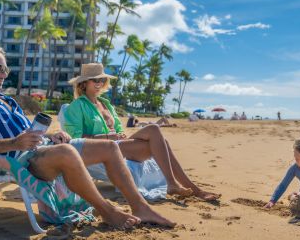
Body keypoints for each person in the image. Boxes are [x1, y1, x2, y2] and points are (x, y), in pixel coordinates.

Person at [0, 45, 174, 229]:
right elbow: (17, 140)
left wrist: (52, 135)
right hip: (18, 159)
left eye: (6, 69)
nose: (4, 74)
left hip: (41, 147)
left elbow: (26, 131)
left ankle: (140, 207)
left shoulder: (6, 99)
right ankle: (107, 211)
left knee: (109, 147)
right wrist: (14, 143)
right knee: (66, 151)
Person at [64, 63, 220, 202]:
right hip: (101, 150)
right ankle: (182, 186)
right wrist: (106, 137)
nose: (99, 83)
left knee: (160, 140)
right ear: (84, 83)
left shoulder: (106, 104)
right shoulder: (76, 106)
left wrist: (119, 134)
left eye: (102, 80)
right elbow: (76, 141)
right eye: (95, 80)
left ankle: (183, 186)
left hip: (118, 145)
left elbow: (118, 129)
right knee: (154, 131)